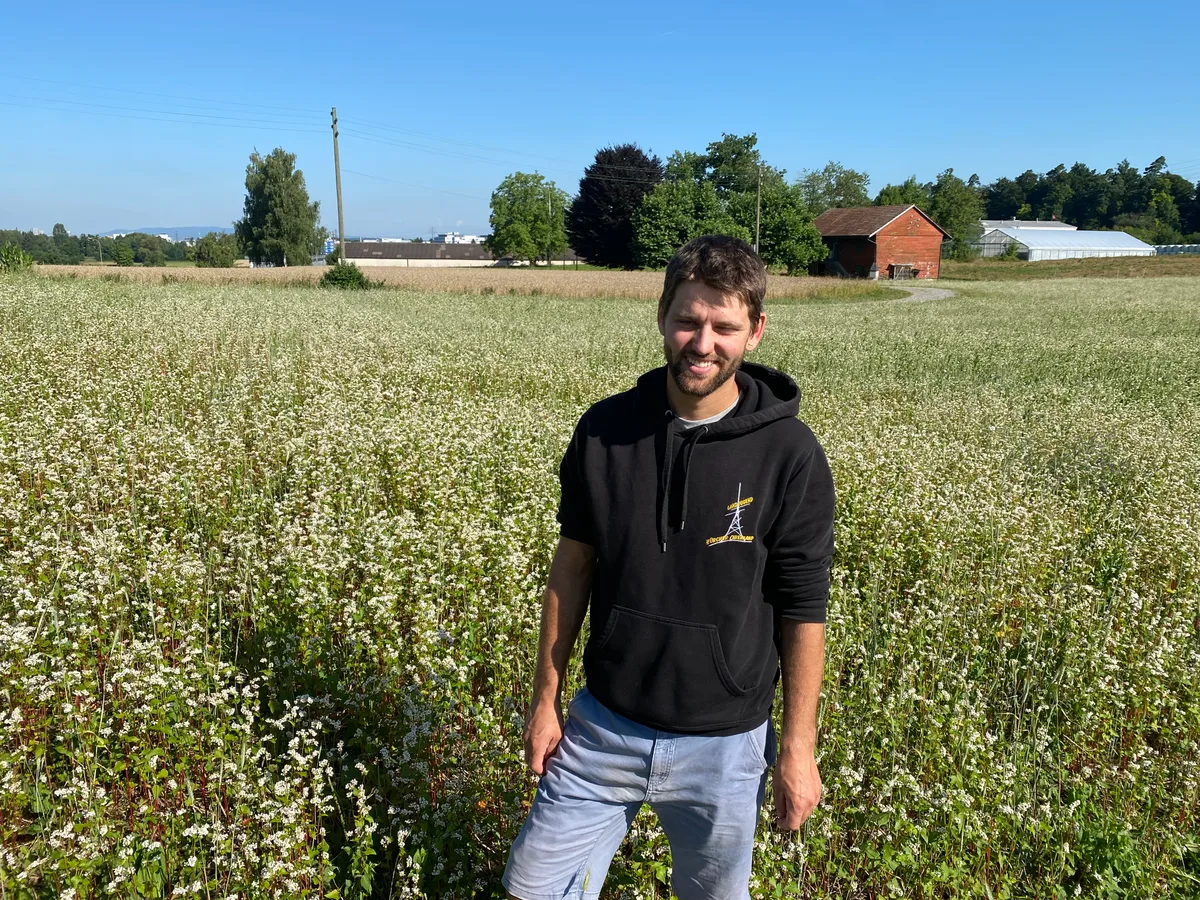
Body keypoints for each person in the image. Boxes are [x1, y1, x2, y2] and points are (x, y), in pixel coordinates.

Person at [503, 235, 835, 900]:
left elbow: (803, 609)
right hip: (604, 726)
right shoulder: (603, 431)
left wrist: (798, 748)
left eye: (724, 326)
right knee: (530, 888)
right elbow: (572, 569)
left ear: (756, 331)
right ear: (662, 314)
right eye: (688, 320)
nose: (702, 342)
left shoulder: (791, 454)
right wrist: (546, 703)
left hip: (725, 744)